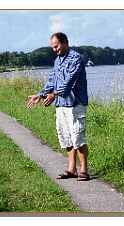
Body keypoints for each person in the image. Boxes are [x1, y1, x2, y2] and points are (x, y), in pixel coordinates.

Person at [26, 32, 90, 181]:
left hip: (75, 104)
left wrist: (53, 95)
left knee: (77, 137)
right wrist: (40, 95)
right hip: (61, 104)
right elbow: (52, 81)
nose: (55, 50)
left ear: (65, 42)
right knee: (66, 138)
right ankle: (71, 169)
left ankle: (84, 171)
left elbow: (69, 82)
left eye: (57, 46)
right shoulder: (58, 60)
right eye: (53, 47)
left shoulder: (76, 59)